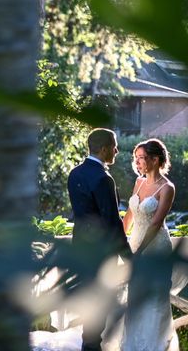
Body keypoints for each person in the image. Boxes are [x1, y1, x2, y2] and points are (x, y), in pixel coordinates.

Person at [66, 128, 131, 351]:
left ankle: (89, 346)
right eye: (114, 146)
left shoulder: (75, 173)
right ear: (104, 149)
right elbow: (112, 222)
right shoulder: (104, 178)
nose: (117, 150)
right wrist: (128, 256)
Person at [120, 138, 179, 350]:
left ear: (156, 159)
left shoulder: (167, 188)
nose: (137, 163)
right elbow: (129, 215)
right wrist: (120, 239)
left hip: (155, 248)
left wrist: (139, 253)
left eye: (141, 158)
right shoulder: (138, 182)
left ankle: (154, 346)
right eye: (135, 159)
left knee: (154, 299)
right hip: (135, 243)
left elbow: (155, 224)